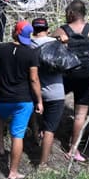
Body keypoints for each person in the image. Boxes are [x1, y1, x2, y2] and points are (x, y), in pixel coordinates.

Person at [0, 21, 42, 179]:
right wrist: (39, 100)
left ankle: (0, 147)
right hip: (23, 101)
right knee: (17, 135)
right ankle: (13, 171)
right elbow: (33, 79)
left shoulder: (0, 49)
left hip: (3, 98)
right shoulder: (31, 53)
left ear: (15, 32)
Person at [60, 0, 89, 162]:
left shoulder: (61, 30)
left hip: (67, 73)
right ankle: (73, 149)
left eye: (67, 12)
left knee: (54, 102)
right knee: (80, 114)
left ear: (71, 13)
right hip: (87, 74)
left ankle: (44, 132)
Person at [28, 17, 68, 169]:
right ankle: (43, 164)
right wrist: (64, 42)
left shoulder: (28, 45)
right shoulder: (56, 44)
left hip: (34, 91)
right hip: (55, 92)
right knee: (50, 129)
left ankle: (35, 134)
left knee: (35, 114)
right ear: (48, 29)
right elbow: (66, 62)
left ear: (33, 30)